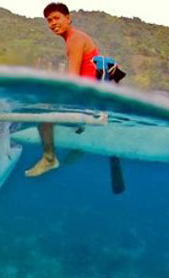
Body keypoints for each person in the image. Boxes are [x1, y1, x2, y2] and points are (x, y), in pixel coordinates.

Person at [25, 2, 99, 177]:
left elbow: (72, 80)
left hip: (87, 99)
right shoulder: (74, 39)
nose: (53, 23)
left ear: (68, 18)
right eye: (49, 20)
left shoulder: (75, 39)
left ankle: (50, 158)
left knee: (42, 116)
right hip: (88, 97)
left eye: (56, 18)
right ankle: (79, 134)